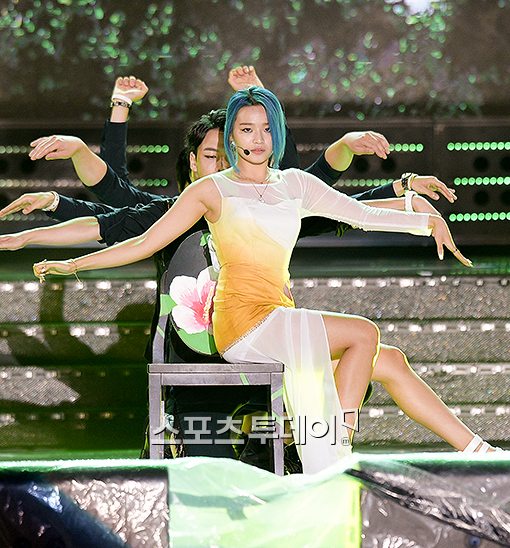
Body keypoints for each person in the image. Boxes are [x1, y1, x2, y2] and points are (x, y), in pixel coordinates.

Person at [30, 86, 501, 474]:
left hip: (278, 317)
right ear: (232, 136)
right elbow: (140, 240)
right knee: (363, 333)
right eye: (245, 129)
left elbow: (357, 213)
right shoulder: (211, 190)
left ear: (277, 132)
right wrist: (72, 266)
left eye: (265, 129)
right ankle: (334, 454)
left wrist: (423, 219)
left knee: (389, 357)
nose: (256, 139)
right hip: (241, 325)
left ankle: (478, 451)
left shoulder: (295, 184)